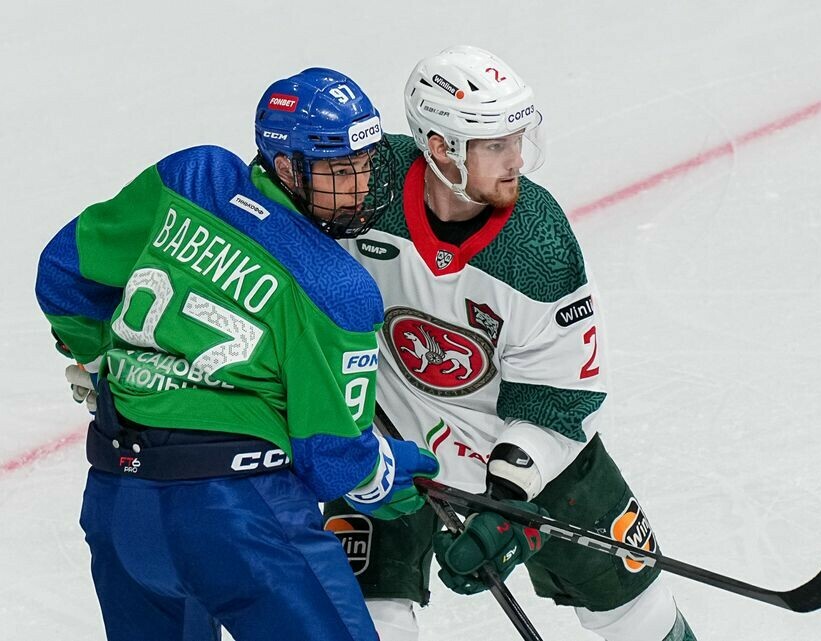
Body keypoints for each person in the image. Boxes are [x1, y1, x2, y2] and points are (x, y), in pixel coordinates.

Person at [35, 68, 439, 641]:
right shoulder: (337, 289)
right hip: (240, 516)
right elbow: (335, 461)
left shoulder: (190, 176)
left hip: (119, 504)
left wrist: (104, 363)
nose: (359, 187)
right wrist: (389, 474)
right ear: (286, 167)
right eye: (338, 171)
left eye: (366, 164)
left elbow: (63, 274)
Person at [324, 46, 697, 641]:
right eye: (496, 145)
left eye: (518, 139)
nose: (517, 159)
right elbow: (280, 205)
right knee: (361, 620)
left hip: (523, 449)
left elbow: (559, 395)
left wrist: (510, 498)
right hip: (387, 440)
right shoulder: (368, 185)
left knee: (638, 613)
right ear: (441, 147)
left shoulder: (536, 243)